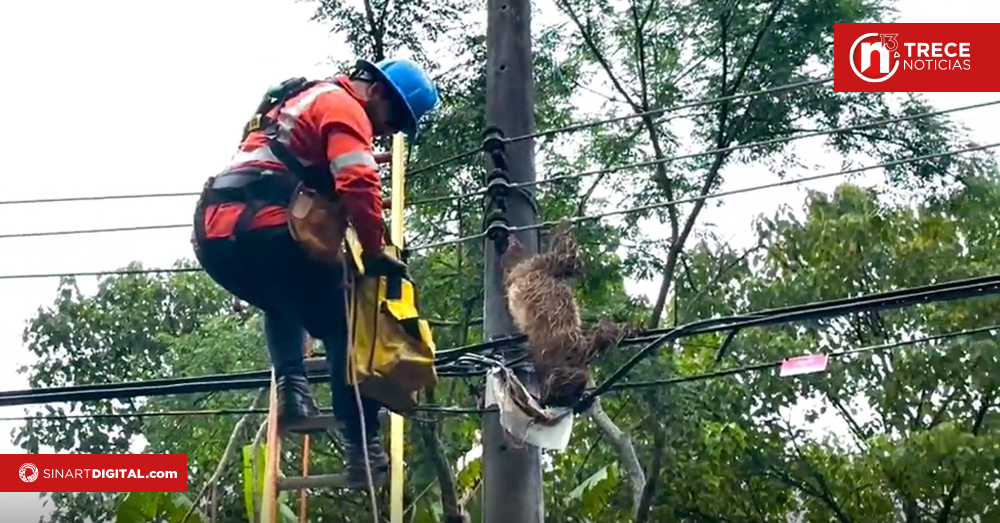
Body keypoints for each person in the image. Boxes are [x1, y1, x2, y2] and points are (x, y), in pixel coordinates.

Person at [191, 57, 440, 483]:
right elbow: (359, 178)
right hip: (266, 228)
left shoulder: (297, 102)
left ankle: (291, 386)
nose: (386, 131)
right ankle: (363, 447)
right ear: (377, 91)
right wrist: (375, 248)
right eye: (393, 119)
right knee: (349, 326)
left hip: (216, 237)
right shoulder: (344, 106)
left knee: (283, 298)